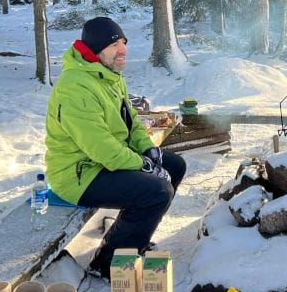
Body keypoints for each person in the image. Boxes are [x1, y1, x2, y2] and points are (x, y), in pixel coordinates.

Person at [45, 17, 186, 277]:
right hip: (79, 174)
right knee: (156, 192)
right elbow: (101, 149)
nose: (122, 50)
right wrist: (142, 165)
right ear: (95, 50)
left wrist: (148, 150)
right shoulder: (75, 88)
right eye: (113, 45)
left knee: (174, 165)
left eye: (123, 42)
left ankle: (132, 240)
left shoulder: (109, 75)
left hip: (104, 162)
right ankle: (108, 263)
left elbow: (130, 121)